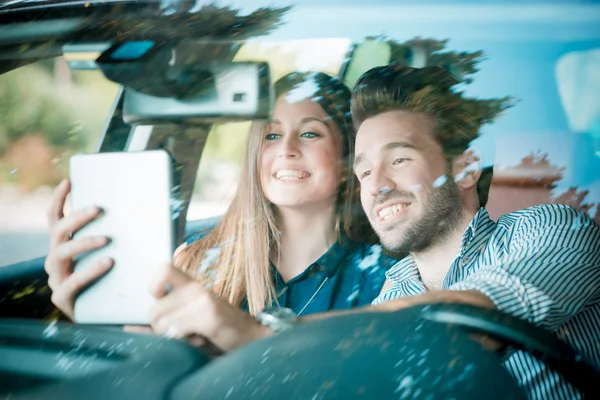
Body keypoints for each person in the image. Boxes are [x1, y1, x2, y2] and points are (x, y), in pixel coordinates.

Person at [148, 65, 600, 399]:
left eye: (399, 160)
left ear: (466, 167)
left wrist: (261, 336)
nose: (378, 186)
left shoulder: (550, 229)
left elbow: (474, 321)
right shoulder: (392, 288)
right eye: (364, 171)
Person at [44, 71, 399, 323]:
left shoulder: (384, 276)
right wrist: (91, 314)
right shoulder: (196, 263)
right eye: (272, 136)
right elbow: (154, 365)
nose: (286, 149)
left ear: (343, 164)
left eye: (309, 134)